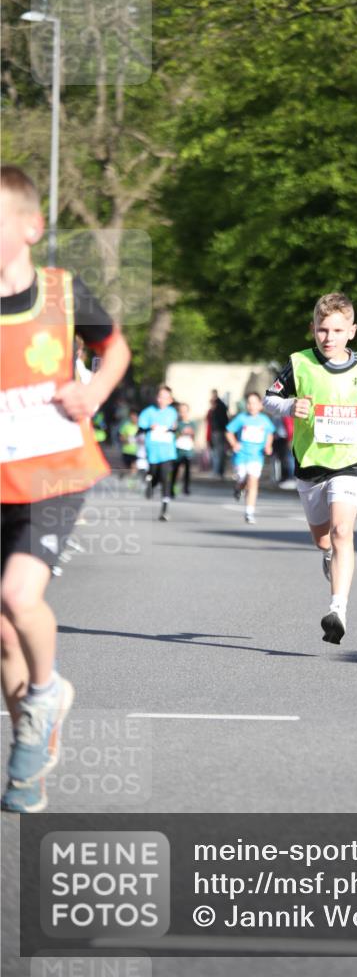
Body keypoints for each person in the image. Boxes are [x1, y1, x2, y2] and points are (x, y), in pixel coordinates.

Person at [0, 165, 131, 812]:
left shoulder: (61, 292)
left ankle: (47, 693)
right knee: (2, 633)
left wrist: (95, 389)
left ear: (30, 226)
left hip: (54, 470)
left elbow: (114, 347)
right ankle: (27, 753)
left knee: (16, 594)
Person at [264, 292, 357, 644]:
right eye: (321, 330)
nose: (328, 337)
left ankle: (338, 610)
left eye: (336, 330)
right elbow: (271, 397)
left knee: (344, 532)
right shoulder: (299, 363)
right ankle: (328, 554)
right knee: (324, 539)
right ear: (312, 330)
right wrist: (290, 407)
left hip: (349, 460)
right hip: (311, 463)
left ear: (352, 331)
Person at [225, 392, 275, 523]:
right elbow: (229, 431)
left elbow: (270, 433)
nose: (251, 406)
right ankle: (238, 487)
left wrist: (268, 446)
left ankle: (249, 512)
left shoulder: (264, 420)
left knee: (253, 481)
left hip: (256, 456)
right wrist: (234, 443)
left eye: (254, 403)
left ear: (260, 405)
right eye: (249, 403)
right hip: (241, 456)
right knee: (242, 479)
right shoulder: (241, 418)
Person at [138, 385, 178, 521]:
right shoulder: (149, 412)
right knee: (154, 473)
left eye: (166, 398)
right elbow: (141, 426)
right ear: (157, 398)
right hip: (153, 450)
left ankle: (165, 510)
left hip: (167, 451)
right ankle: (150, 482)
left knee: (166, 477)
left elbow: (174, 427)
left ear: (170, 400)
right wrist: (150, 427)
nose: (162, 400)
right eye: (160, 397)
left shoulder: (172, 412)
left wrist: (173, 428)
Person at [171, 402, 196, 497]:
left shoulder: (192, 424)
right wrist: (180, 433)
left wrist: (191, 434)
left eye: (185, 411)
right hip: (178, 450)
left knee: (187, 470)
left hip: (188, 450)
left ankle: (186, 488)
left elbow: (194, 436)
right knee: (176, 470)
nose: (183, 413)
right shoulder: (177, 424)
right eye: (181, 411)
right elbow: (174, 436)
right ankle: (172, 488)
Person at [207, 389, 229, 477]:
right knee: (219, 451)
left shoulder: (217, 406)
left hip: (217, 431)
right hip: (219, 430)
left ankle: (217, 471)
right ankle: (219, 471)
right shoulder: (221, 405)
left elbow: (217, 420)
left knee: (217, 452)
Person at [119, 409, 140, 482]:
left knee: (134, 465)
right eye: (132, 417)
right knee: (125, 466)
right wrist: (125, 440)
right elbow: (121, 436)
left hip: (137, 450)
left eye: (135, 417)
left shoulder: (141, 426)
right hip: (127, 450)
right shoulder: (126, 426)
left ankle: (132, 481)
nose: (133, 419)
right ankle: (122, 473)